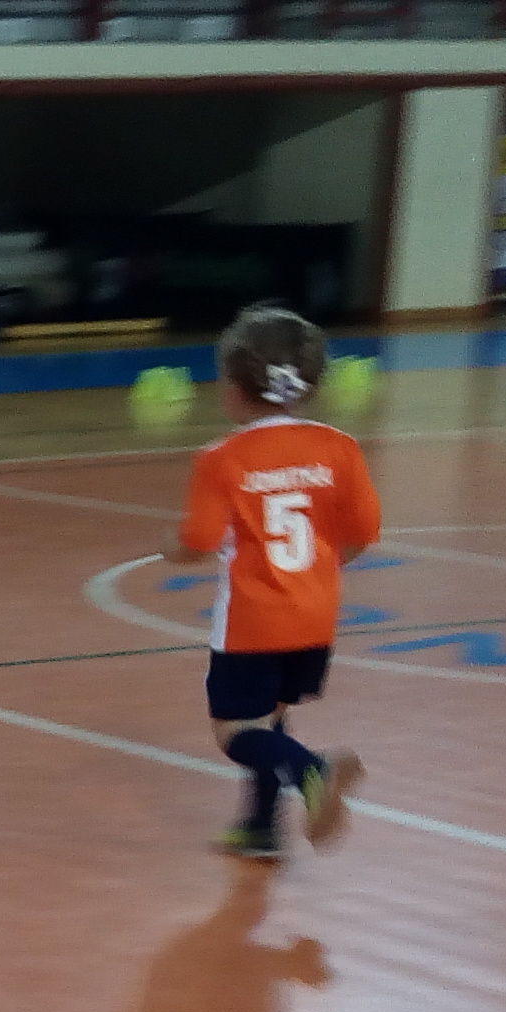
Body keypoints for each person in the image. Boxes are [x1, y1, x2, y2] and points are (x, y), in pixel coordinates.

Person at [165, 305, 374, 860]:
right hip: (315, 617)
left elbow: (199, 541)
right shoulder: (340, 447)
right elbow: (361, 534)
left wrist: (172, 549)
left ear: (234, 387)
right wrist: (313, 574)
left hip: (252, 621)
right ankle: (259, 827)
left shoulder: (222, 459)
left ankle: (312, 770)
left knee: (234, 731)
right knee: (272, 717)